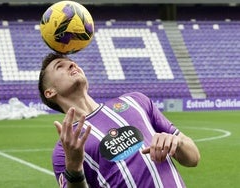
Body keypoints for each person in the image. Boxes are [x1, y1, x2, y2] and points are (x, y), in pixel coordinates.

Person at [38, 52, 200, 188]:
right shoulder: (64, 149)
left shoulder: (136, 101)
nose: (72, 65)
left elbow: (194, 158)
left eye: (72, 63)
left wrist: (177, 143)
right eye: (60, 66)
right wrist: (73, 168)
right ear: (50, 92)